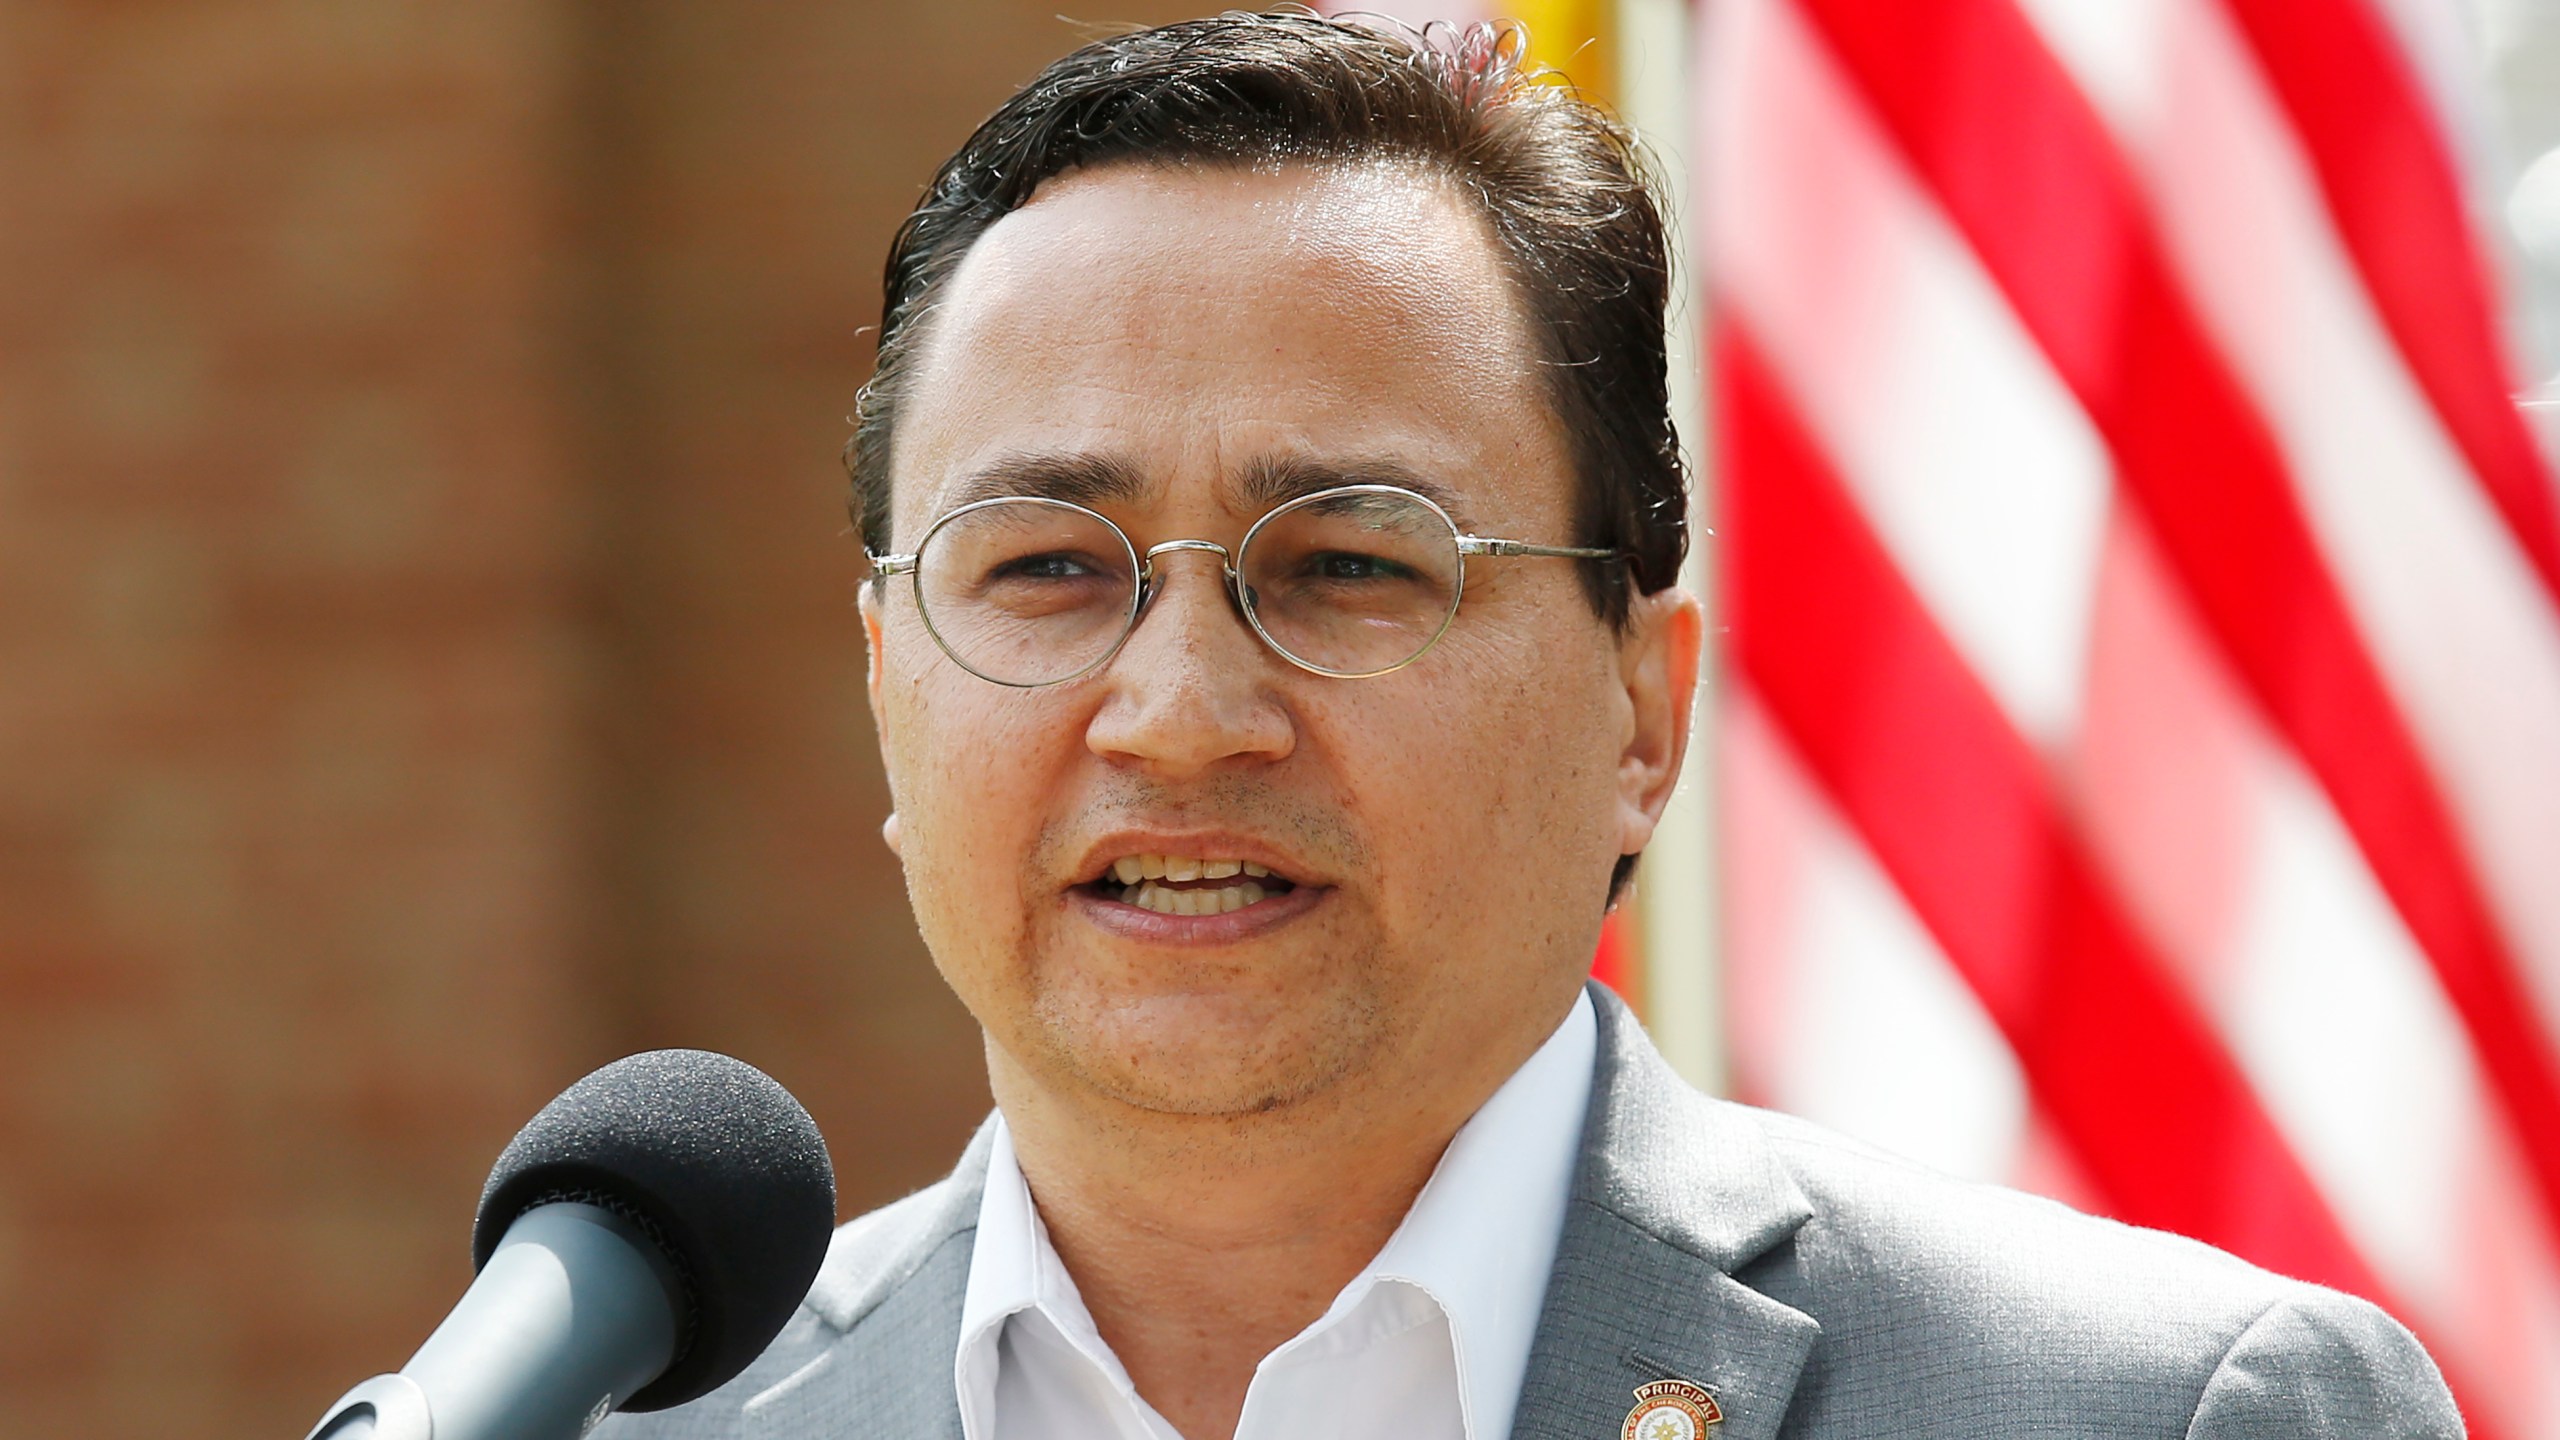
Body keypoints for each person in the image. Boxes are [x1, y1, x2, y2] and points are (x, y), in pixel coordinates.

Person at [607, 12, 2463, 1439]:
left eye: (1346, 565)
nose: (1179, 715)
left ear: (1640, 714)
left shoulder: (2157, 1415)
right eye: (1044, 570)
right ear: (884, 694)